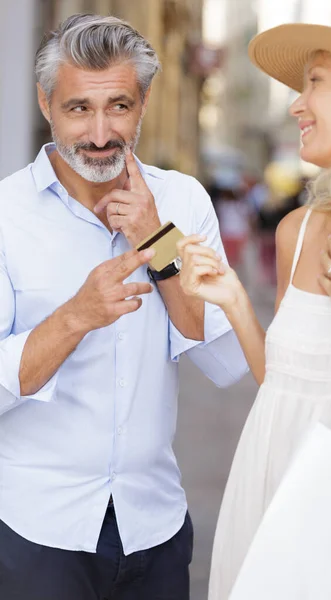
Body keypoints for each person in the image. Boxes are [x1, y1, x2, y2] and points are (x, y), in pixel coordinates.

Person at [0, 13, 248, 600]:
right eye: (78, 108)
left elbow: (224, 357)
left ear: (143, 103)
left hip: (155, 527)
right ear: (45, 103)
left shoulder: (181, 201)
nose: (100, 133)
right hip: (37, 531)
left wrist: (157, 241)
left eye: (119, 106)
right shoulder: (6, 215)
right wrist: (74, 317)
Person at [178, 13, 331, 599]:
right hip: (267, 498)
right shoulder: (296, 232)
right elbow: (284, 383)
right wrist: (233, 300)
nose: (297, 105)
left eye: (317, 82)